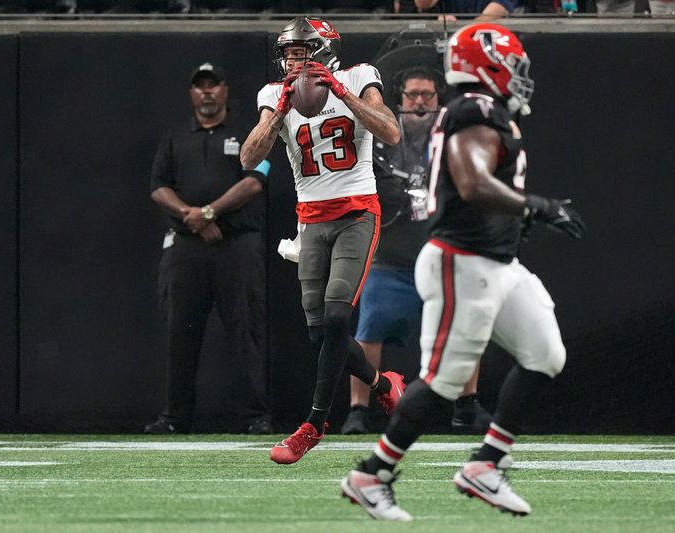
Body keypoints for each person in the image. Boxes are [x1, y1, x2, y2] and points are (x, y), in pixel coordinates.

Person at [340, 23, 586, 521]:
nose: (519, 75)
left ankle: (487, 464)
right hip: (462, 260)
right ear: (486, 64)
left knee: (545, 353)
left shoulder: (486, 112)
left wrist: (514, 221)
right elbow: (472, 183)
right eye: (512, 65)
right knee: (443, 381)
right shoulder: (474, 110)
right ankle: (372, 473)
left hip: (495, 261)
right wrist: (537, 208)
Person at [240, 16, 404, 465]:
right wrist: (280, 110)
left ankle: (313, 425)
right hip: (311, 219)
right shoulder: (274, 94)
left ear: (323, 49)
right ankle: (382, 386)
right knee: (319, 333)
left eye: (299, 51)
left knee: (335, 318)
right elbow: (248, 158)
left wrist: (341, 92)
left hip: (356, 213)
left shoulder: (359, 76)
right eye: (288, 53)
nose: (291, 61)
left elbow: (391, 131)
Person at [342, 66, 491, 435]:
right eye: (412, 95)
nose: (420, 102)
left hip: (441, 252)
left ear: (439, 99)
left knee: (465, 325)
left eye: (427, 95)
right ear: (400, 99)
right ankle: (359, 410)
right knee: (369, 329)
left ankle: (466, 405)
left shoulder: (453, 134)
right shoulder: (383, 137)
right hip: (391, 256)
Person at [146, 63, 273, 436]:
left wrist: (210, 212)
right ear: (191, 94)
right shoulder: (175, 137)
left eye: (212, 85)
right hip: (186, 246)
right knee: (179, 333)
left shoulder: (250, 135)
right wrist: (191, 216)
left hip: (237, 245)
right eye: (199, 86)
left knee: (245, 330)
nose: (206, 92)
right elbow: (157, 187)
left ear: (225, 90)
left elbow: (255, 181)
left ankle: (255, 416)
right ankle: (174, 417)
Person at [413, 0, 515, 19]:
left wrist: (458, 29)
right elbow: (422, 4)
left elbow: (493, 14)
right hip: (445, 40)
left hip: (486, 41)